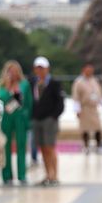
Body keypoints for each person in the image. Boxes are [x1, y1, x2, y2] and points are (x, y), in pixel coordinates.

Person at [30, 56, 64, 186]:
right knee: (43, 148)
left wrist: (54, 116)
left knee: (50, 147)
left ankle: (54, 175)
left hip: (49, 119)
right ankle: (48, 173)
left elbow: (60, 103)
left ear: (47, 69)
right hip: (37, 119)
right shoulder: (33, 82)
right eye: (38, 68)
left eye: (42, 68)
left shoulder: (54, 83)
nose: (40, 71)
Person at [0, 60, 31, 185]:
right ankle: (7, 175)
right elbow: (0, 100)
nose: (13, 73)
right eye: (11, 71)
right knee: (6, 146)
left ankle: (22, 175)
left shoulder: (24, 84)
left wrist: (27, 120)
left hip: (20, 117)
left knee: (21, 145)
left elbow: (28, 103)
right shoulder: (2, 86)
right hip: (6, 117)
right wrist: (8, 87)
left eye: (15, 71)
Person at [72, 62, 102, 153]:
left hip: (94, 108)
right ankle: (86, 146)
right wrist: (77, 110)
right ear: (84, 70)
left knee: (98, 127)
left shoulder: (94, 80)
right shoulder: (78, 82)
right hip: (84, 108)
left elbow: (100, 94)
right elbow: (76, 97)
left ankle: (99, 146)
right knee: (85, 128)